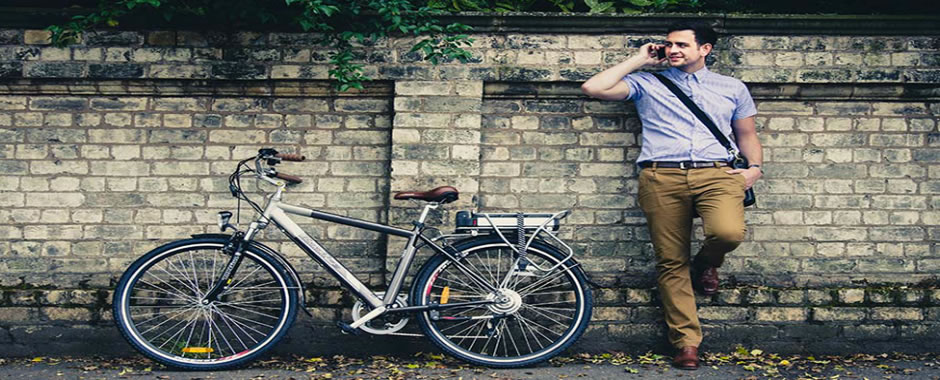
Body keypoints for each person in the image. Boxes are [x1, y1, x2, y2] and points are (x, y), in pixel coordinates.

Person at [581, 22, 763, 370]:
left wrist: (754, 168)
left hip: (717, 172)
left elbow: (747, 133)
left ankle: (706, 262)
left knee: (728, 233)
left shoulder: (732, 87)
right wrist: (638, 59)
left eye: (681, 44)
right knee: (670, 261)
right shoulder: (646, 82)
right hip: (661, 174)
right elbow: (593, 87)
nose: (672, 49)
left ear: (705, 49)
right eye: (668, 44)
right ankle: (686, 342)